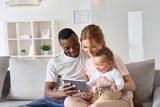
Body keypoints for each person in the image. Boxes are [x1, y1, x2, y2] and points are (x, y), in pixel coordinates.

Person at [64, 24, 136, 107]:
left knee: (97, 105)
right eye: (85, 47)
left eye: (93, 46)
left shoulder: (112, 58)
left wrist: (110, 84)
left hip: (119, 99)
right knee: (69, 100)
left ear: (101, 42)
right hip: (97, 98)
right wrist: (88, 94)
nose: (89, 51)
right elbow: (93, 85)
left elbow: (132, 86)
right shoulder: (88, 63)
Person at [19, 28, 89, 107]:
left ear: (77, 38)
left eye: (75, 45)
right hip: (57, 99)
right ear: (61, 45)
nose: (72, 50)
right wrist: (63, 92)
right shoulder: (55, 61)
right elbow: (47, 92)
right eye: (67, 48)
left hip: (76, 101)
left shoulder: (88, 55)